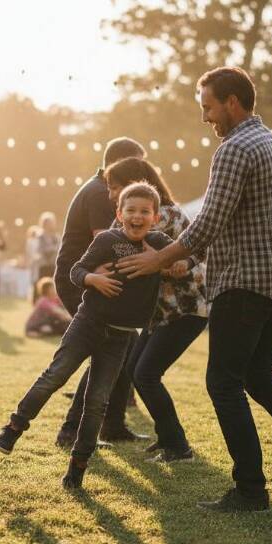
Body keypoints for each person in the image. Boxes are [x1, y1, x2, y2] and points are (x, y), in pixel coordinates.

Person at [117, 66, 272, 512]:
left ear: (232, 102)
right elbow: (242, 221)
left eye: (208, 106)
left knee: (223, 382)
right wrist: (184, 259)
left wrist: (157, 259)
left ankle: (251, 490)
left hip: (244, 283)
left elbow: (209, 222)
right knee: (259, 376)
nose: (205, 118)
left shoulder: (234, 148)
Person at [0, 182, 173, 489]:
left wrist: (169, 262)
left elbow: (191, 257)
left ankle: (77, 467)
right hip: (88, 322)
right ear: (119, 213)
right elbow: (76, 270)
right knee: (55, 375)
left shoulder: (158, 243)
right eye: (131, 210)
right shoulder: (106, 239)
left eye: (145, 211)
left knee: (97, 401)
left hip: (119, 337)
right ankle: (14, 426)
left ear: (156, 217)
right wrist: (92, 279)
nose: (138, 216)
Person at [103, 157, 209, 462]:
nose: (112, 194)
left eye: (116, 186)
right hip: (155, 313)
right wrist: (158, 266)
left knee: (146, 373)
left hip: (186, 307)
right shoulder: (120, 220)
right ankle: (167, 437)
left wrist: (181, 263)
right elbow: (120, 260)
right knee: (137, 371)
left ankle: (178, 446)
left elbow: (199, 250)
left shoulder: (172, 216)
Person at [54, 136, 149, 448]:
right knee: (107, 346)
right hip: (80, 280)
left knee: (124, 343)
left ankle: (113, 424)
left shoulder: (103, 189)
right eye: (137, 165)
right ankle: (71, 431)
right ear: (118, 165)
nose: (142, 173)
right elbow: (108, 241)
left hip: (95, 278)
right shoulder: (99, 192)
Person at [36, 212, 60, 281]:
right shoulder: (40, 237)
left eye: (52, 223)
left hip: (54, 265)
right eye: (49, 223)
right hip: (43, 265)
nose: (51, 225)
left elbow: (59, 248)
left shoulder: (56, 236)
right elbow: (40, 250)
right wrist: (53, 248)